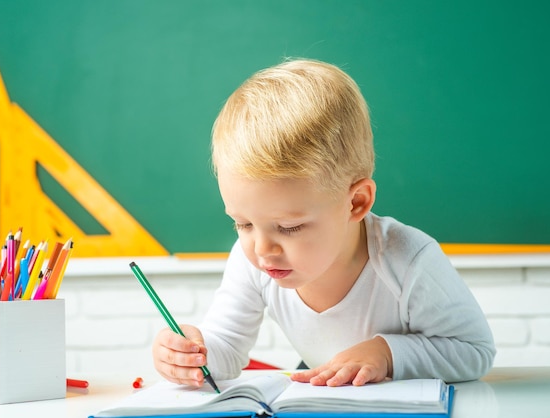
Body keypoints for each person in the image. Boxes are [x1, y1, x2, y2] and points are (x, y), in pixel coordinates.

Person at [152, 58, 496, 388]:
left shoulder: (409, 260)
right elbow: (226, 343)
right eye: (242, 224)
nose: (262, 249)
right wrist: (193, 355)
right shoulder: (251, 261)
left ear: (356, 202)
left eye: (288, 227)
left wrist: (385, 353)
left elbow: (474, 351)